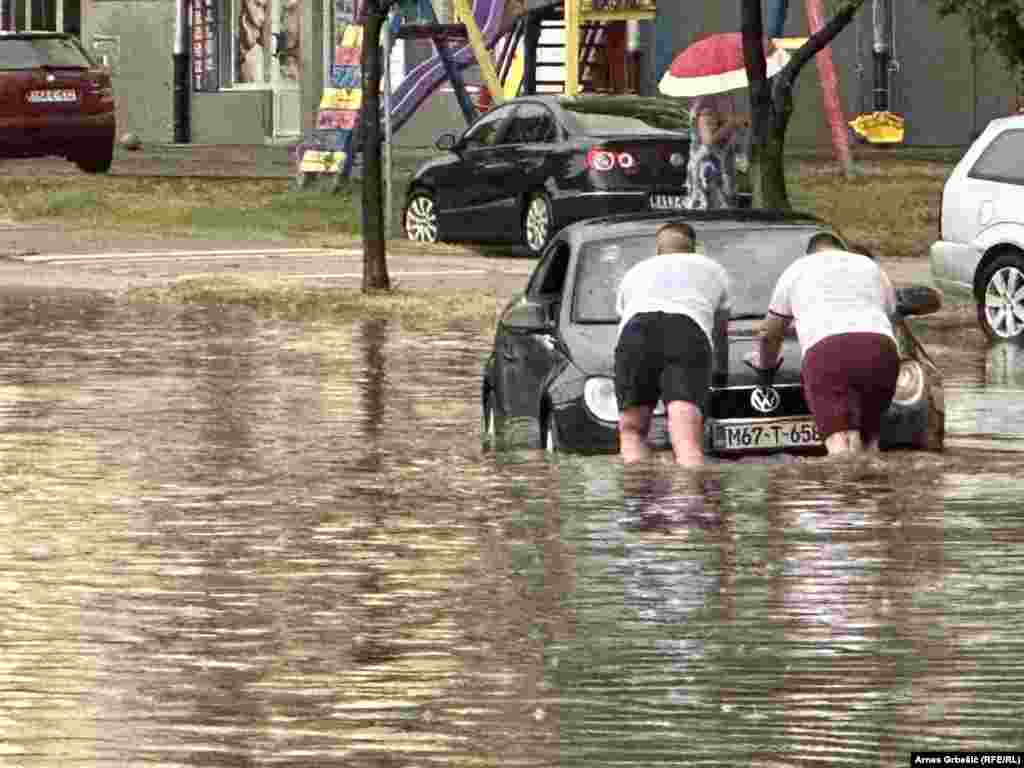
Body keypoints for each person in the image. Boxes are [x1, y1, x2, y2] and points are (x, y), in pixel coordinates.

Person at [748, 233, 900, 456]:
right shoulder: (870, 266)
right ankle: (872, 489)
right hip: (881, 348)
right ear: (842, 249)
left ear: (809, 253)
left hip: (828, 351)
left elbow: (769, 334)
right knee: (869, 443)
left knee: (841, 445)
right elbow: (892, 318)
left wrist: (765, 367)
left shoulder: (798, 269)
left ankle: (844, 490)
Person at [614, 222, 732, 466]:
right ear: (694, 248)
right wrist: (720, 374)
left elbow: (623, 319)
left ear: (657, 249)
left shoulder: (635, 272)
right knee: (686, 440)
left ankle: (637, 499)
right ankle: (690, 501)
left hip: (636, 332)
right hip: (687, 332)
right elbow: (720, 331)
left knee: (632, 432)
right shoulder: (713, 269)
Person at [684, 96, 748, 211]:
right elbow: (708, 140)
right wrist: (732, 123)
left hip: (724, 170)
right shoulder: (705, 102)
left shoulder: (726, 99)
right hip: (707, 170)